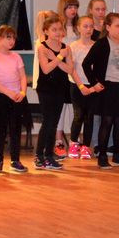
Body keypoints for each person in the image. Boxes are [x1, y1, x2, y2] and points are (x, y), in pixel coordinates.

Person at [82, 13, 119, 169]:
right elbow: (86, 64)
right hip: (108, 88)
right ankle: (102, 156)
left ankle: (118, 155)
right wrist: (95, 83)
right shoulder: (101, 44)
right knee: (107, 122)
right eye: (117, 25)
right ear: (108, 27)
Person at [0, 24, 28, 174]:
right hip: (0, 98)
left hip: (17, 98)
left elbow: (22, 77)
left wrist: (22, 92)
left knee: (16, 131)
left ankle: (15, 160)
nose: (11, 41)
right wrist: (8, 93)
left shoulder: (16, 57)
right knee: (0, 131)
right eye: (8, 38)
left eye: (13, 38)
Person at [34, 13, 73, 170]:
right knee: (48, 122)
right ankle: (39, 156)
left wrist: (58, 57)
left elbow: (70, 69)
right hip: (46, 89)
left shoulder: (66, 48)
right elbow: (46, 69)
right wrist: (58, 58)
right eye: (54, 29)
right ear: (46, 31)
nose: (57, 32)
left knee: (54, 122)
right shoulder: (42, 47)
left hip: (60, 88)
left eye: (59, 29)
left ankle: (49, 156)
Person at [68, 15, 99, 160]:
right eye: (85, 26)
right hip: (77, 85)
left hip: (92, 86)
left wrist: (93, 86)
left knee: (89, 117)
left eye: (91, 26)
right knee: (78, 115)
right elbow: (72, 69)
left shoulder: (96, 46)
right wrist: (81, 86)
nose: (88, 29)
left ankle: (86, 146)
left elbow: (99, 68)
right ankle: (73, 143)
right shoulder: (73, 47)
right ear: (78, 28)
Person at [55, 0, 81, 154]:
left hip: (75, 71)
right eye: (70, 7)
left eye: (75, 7)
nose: (73, 10)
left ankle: (74, 139)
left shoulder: (79, 27)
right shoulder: (58, 27)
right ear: (63, 8)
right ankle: (58, 139)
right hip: (62, 70)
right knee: (61, 107)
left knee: (74, 107)